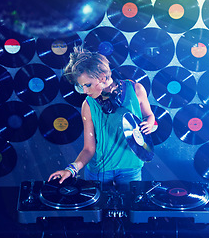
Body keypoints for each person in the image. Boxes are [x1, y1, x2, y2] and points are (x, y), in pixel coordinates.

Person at [48, 46, 155, 187]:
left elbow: (150, 116)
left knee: (130, 207)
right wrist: (71, 169)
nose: (85, 91)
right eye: (81, 87)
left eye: (88, 85)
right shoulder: (88, 105)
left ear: (103, 77)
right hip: (99, 171)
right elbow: (88, 149)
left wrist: (149, 123)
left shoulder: (136, 90)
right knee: (98, 209)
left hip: (131, 168)